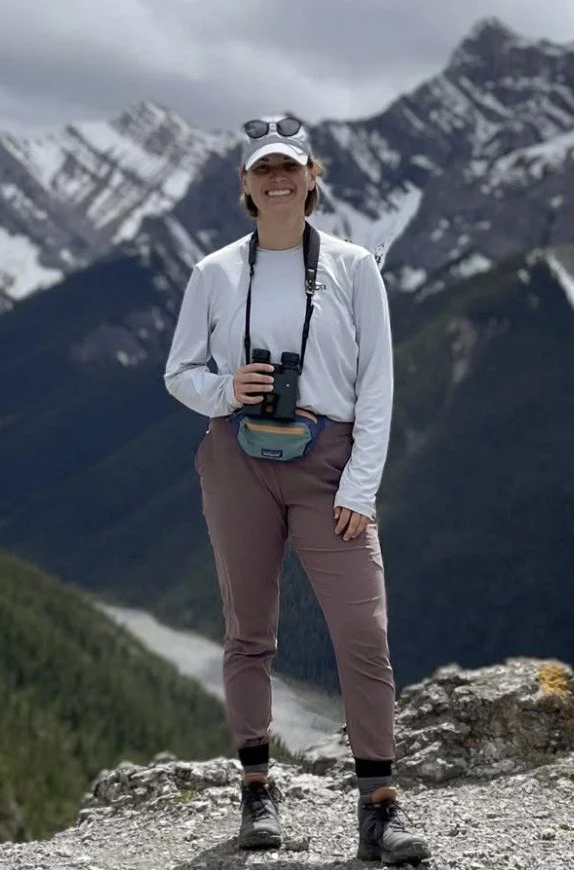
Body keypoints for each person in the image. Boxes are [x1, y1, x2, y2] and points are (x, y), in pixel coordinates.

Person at [164, 114, 431, 865]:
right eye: (262, 169)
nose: (277, 178)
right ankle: (256, 792)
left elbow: (376, 384)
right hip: (237, 457)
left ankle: (379, 806)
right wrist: (227, 387)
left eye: (290, 165)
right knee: (248, 631)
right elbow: (177, 373)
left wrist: (361, 484)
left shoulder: (353, 266)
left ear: (313, 176)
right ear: (244, 186)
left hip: (331, 463)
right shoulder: (213, 272)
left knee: (362, 632)